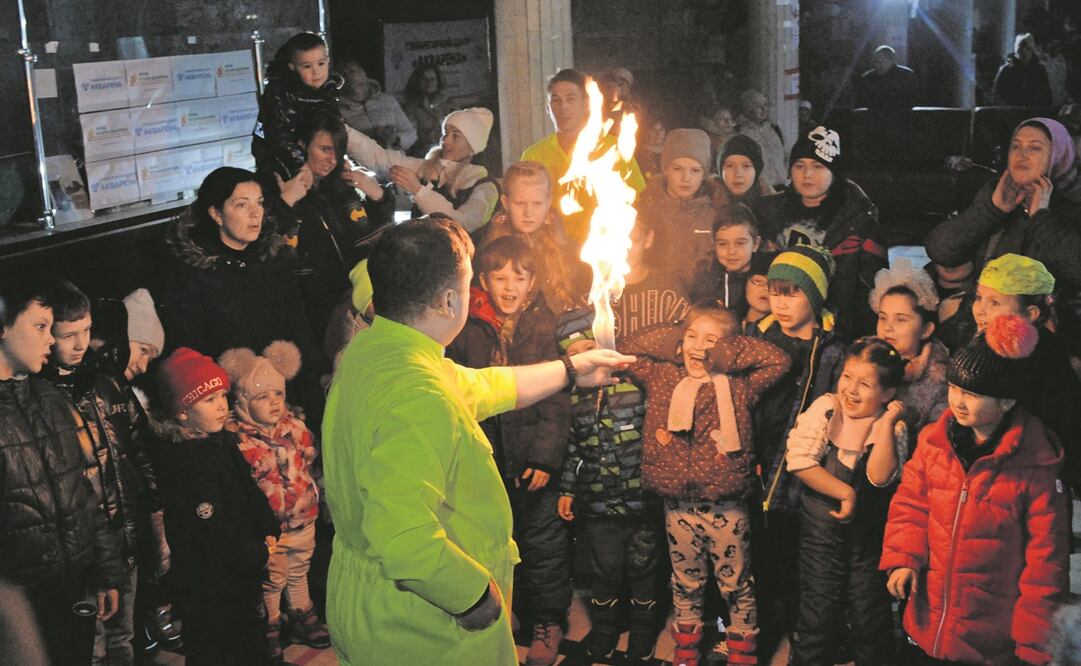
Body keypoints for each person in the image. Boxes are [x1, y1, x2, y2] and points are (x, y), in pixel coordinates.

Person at [320, 217, 633, 665]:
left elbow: (481, 387)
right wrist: (475, 600)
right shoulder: (417, 393)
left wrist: (568, 370)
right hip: (422, 628)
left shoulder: (376, 350)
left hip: (369, 602)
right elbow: (404, 540)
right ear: (449, 299)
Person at [881, 314, 1069, 665]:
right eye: (954, 388)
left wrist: (1031, 645)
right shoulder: (935, 441)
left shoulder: (1035, 466)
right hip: (929, 620)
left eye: (973, 393)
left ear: (1007, 402)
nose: (958, 400)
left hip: (990, 638)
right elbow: (910, 504)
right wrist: (903, 558)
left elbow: (1045, 565)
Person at [620, 306, 791, 666]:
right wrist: (678, 341)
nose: (700, 347)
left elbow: (778, 360)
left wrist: (725, 352)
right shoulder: (662, 375)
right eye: (693, 337)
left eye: (711, 340)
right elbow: (628, 347)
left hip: (725, 505)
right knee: (685, 582)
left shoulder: (741, 385)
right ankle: (685, 654)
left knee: (737, 584)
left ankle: (743, 655)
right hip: (677, 505)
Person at [446, 236, 571, 665]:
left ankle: (548, 621)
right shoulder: (468, 329)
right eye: (499, 277)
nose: (509, 286)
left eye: (519, 277)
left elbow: (555, 402)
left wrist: (544, 457)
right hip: (488, 463)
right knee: (494, 543)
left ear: (533, 281)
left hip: (533, 462)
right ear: (482, 280)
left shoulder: (543, 326)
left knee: (543, 548)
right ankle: (506, 613)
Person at [0, 276, 124, 666]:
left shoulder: (49, 399)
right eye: (39, 326)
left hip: (70, 587)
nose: (51, 339)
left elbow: (81, 490)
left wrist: (106, 571)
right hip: (19, 601)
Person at [39, 279, 162, 666]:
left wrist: (153, 512)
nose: (79, 345)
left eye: (86, 332)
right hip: (83, 550)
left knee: (122, 638)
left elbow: (137, 451)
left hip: (124, 535)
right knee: (88, 646)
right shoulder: (42, 398)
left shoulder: (106, 385)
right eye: (67, 335)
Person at [160, 167, 326, 428]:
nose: (255, 214)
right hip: (230, 404)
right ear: (216, 214)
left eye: (259, 203)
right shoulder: (193, 272)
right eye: (241, 205)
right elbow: (190, 348)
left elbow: (298, 326)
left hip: (284, 392)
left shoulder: (273, 258)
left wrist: (313, 383)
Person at [150, 348, 280, 665]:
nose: (222, 406)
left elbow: (249, 490)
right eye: (209, 400)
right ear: (182, 411)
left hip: (239, 574)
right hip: (209, 583)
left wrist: (268, 528)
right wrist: (256, 553)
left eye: (222, 396)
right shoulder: (186, 459)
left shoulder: (221, 441)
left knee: (250, 638)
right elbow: (213, 525)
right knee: (218, 648)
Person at [786, 337, 908, 665]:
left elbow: (880, 477)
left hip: (868, 541)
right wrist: (845, 492)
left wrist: (884, 425)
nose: (851, 390)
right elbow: (799, 461)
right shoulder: (826, 408)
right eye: (846, 377)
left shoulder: (892, 428)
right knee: (818, 616)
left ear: (888, 393)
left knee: (870, 618)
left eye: (865, 384)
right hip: (821, 535)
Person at [749, 247, 846, 649]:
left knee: (799, 564)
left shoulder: (833, 348)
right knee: (759, 560)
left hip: (804, 474)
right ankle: (763, 629)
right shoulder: (758, 338)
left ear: (816, 295)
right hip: (756, 469)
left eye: (793, 292)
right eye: (776, 291)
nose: (782, 302)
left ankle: (800, 632)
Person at [555, 308, 661, 663]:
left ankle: (643, 639)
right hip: (598, 504)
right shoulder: (575, 397)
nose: (585, 358)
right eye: (575, 354)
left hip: (641, 500)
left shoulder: (637, 385)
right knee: (605, 571)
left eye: (589, 347)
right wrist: (568, 490)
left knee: (644, 570)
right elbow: (573, 447)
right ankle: (603, 633)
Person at [218, 342, 329, 662]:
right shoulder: (239, 439)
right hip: (270, 526)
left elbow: (310, 459)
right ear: (241, 400)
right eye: (262, 397)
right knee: (272, 576)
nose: (273, 403)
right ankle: (269, 623)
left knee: (299, 568)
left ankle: (301, 613)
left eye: (278, 395)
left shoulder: (294, 428)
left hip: (302, 517)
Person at [925, 118, 1081, 335]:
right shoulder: (998, 193)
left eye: (1035, 148)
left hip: (1049, 330)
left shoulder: (1074, 202)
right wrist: (992, 210)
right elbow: (941, 250)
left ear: (1058, 156)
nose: (1022, 154)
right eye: (1016, 146)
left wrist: (1040, 218)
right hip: (985, 320)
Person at [269, 112, 396, 341]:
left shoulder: (341, 185)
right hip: (312, 309)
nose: (333, 159)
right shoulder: (278, 187)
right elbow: (267, 250)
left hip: (358, 302)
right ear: (301, 145)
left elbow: (373, 235)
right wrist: (284, 204)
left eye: (338, 150)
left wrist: (378, 196)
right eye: (325, 149)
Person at [756, 125, 887, 340]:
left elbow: (873, 284)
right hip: (778, 324)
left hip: (837, 328)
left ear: (834, 173)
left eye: (818, 166)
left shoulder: (859, 218)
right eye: (799, 165)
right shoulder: (770, 212)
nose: (807, 174)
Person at [971, 253, 1081, 493]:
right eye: (979, 298)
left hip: (1038, 468)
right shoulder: (989, 344)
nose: (981, 310)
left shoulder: (1034, 354)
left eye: (995, 303)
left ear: (1031, 313)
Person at [521, 68, 646, 245]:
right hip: (552, 249)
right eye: (556, 100)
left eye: (570, 99)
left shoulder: (612, 149)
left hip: (602, 249)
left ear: (587, 103)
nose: (563, 107)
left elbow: (639, 200)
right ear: (548, 107)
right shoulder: (534, 154)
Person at [346, 106, 500, 232]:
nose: (445, 141)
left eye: (456, 136)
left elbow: (462, 225)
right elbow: (379, 158)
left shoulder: (484, 185)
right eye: (445, 133)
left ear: (473, 146)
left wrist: (419, 191)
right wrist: (344, 132)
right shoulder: (428, 168)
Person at [474, 160, 589, 313]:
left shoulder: (571, 252)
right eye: (520, 203)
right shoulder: (486, 249)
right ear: (506, 202)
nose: (528, 213)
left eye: (537, 204)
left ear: (548, 202)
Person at [869, 260, 949, 438]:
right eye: (883, 318)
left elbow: (935, 438)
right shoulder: (863, 357)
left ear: (925, 330)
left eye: (901, 320)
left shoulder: (938, 379)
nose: (888, 327)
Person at [638, 128, 721, 293]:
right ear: (666, 170)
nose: (686, 178)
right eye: (678, 169)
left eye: (695, 170)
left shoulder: (715, 215)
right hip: (657, 301)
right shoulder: (647, 212)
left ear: (704, 173)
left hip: (702, 304)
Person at [253, 32, 342, 174]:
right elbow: (278, 136)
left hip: (318, 159)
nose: (316, 72)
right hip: (281, 162)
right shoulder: (280, 94)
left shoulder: (329, 89)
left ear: (328, 61)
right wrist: (301, 164)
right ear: (293, 67)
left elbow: (334, 128)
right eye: (307, 66)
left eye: (321, 63)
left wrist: (340, 158)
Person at [689, 203, 763, 314]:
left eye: (740, 243)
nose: (731, 251)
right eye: (723, 244)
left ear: (755, 244)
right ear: (714, 244)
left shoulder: (763, 280)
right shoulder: (705, 280)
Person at [338, 60, 416, 152]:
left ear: (363, 73)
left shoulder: (387, 101)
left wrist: (395, 139)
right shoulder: (338, 110)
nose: (347, 76)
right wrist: (370, 136)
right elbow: (340, 144)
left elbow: (410, 132)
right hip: (362, 164)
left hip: (396, 161)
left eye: (351, 71)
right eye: (343, 73)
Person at [735, 90, 787, 190]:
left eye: (765, 105)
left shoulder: (775, 129)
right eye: (758, 106)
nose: (764, 109)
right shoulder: (740, 133)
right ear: (748, 109)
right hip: (760, 190)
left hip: (783, 186)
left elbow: (787, 155)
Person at [713, 134, 774, 209]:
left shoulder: (772, 207)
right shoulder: (706, 206)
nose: (738, 173)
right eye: (730, 166)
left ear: (756, 171)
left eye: (746, 166)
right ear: (720, 171)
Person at [402, 64, 450, 157]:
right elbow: (411, 136)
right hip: (424, 151)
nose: (429, 82)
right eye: (424, 79)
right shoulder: (410, 107)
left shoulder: (447, 103)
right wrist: (432, 136)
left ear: (438, 81)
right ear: (417, 82)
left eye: (432, 79)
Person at [994, 33, 1053, 107]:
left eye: (1028, 49)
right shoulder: (1007, 70)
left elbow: (1046, 95)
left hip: (1033, 112)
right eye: (1021, 49)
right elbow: (998, 96)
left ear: (1032, 51)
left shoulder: (1039, 70)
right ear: (1016, 51)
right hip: (1012, 113)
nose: (1024, 52)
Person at [854, 45, 918, 112]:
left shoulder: (906, 75)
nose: (877, 66)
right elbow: (862, 99)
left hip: (900, 116)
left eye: (880, 62)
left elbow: (912, 99)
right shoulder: (868, 77)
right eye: (875, 62)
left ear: (890, 60)